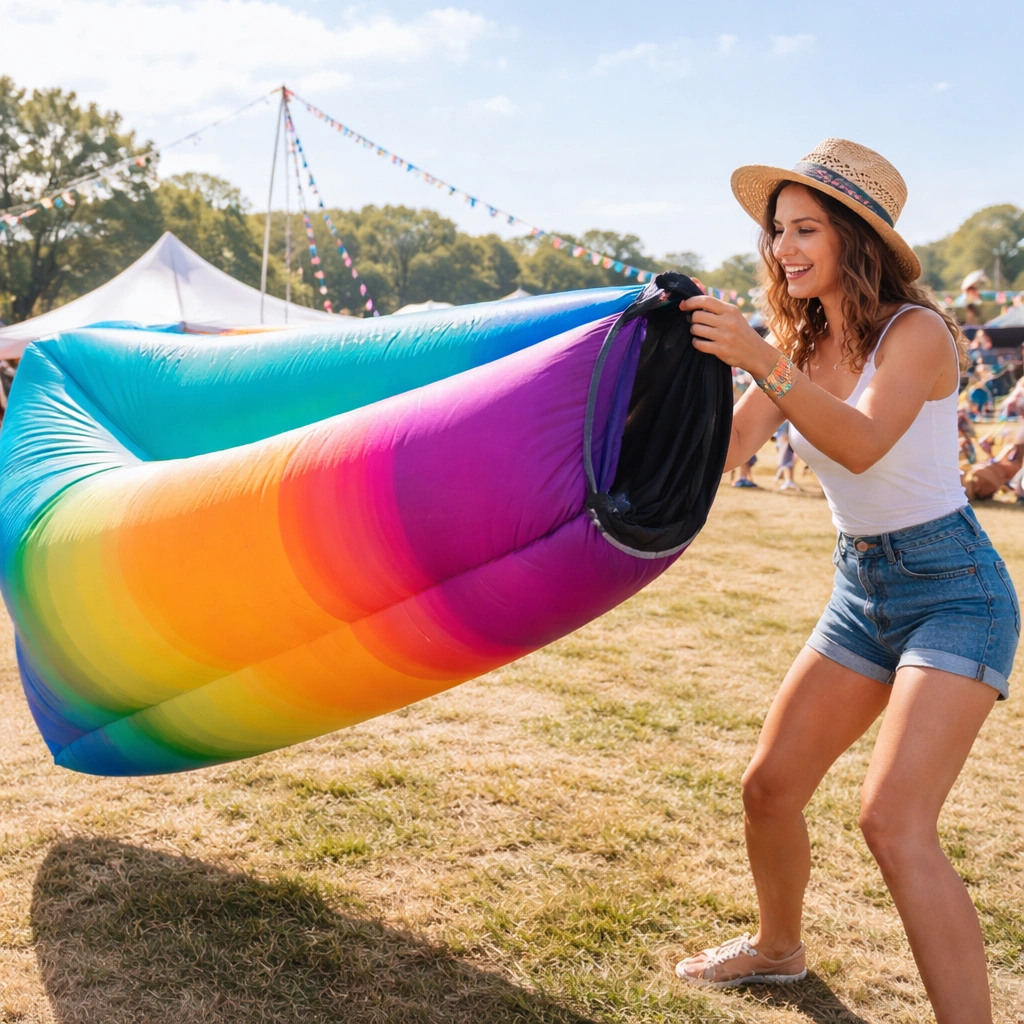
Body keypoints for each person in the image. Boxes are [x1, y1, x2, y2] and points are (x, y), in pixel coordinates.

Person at [671, 139, 1018, 1024]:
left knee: (893, 823)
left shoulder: (918, 332)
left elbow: (862, 441)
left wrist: (758, 356)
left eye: (805, 230)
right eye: (776, 231)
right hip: (862, 592)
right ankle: (779, 951)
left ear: (853, 239)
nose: (783, 249)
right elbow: (727, 453)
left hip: (954, 590)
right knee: (770, 788)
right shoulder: (801, 338)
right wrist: (666, 369)